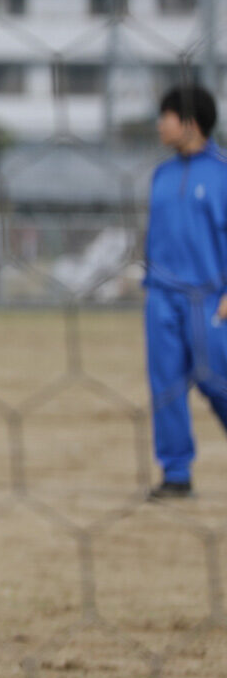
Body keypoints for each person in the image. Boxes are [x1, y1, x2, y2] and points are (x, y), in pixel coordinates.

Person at [142, 83, 227, 500]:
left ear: (189, 122)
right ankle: (176, 473)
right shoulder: (162, 173)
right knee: (166, 385)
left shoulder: (222, 174)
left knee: (219, 383)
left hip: (211, 299)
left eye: (166, 116)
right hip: (161, 297)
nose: (160, 125)